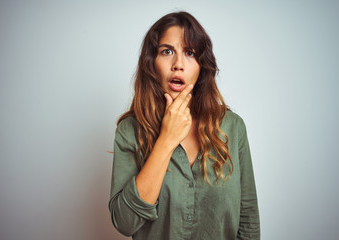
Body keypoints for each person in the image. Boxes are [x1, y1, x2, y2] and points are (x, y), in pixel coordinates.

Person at [109, 11, 260, 240]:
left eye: (190, 53)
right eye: (167, 51)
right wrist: (166, 140)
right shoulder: (130, 131)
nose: (178, 64)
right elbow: (124, 222)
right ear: (152, 63)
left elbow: (248, 221)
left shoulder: (233, 127)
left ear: (201, 67)